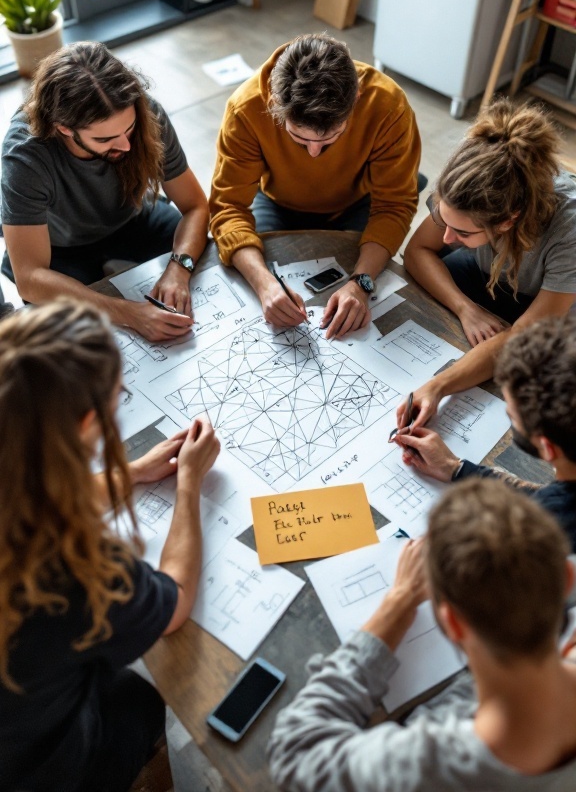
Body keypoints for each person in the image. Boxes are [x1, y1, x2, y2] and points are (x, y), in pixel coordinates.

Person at [0, 299, 220, 792]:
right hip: (38, 769)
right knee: (142, 695)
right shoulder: (71, 570)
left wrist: (134, 473)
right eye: (116, 396)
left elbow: (27, 493)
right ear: (83, 425)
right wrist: (189, 484)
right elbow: (175, 599)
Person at [268, 479, 576, 791]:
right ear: (567, 578)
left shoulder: (430, 769)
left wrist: (398, 601)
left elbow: (297, 752)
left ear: (453, 623)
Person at [209, 34, 421, 338]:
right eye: (300, 138)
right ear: (273, 104)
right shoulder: (245, 109)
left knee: (369, 275)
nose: (313, 153)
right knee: (251, 269)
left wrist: (361, 284)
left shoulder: (389, 106)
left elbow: (395, 205)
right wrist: (265, 285)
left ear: (357, 97)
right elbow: (227, 207)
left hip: (357, 201)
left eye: (330, 137)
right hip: (275, 202)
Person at [1, 41, 210, 343]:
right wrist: (130, 313)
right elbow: (30, 277)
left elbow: (195, 207)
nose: (126, 146)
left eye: (129, 130)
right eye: (107, 139)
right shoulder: (26, 155)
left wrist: (179, 269)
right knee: (63, 340)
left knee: (207, 259)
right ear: (64, 128)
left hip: (134, 217)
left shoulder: (145, 112)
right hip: (59, 246)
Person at [397, 100, 576, 428]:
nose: (447, 237)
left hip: (558, 307)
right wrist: (466, 309)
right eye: (443, 220)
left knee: (539, 390)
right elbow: (417, 250)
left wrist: (437, 386)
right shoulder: (466, 179)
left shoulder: (569, 231)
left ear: (508, 222)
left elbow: (520, 338)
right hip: (494, 276)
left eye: (462, 231)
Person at [396, 316, 576, 551]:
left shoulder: (547, 529)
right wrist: (456, 468)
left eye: (510, 415)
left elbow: (548, 503)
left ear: (548, 448)